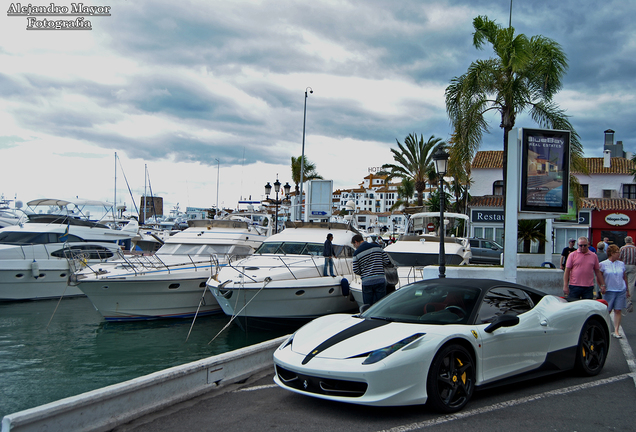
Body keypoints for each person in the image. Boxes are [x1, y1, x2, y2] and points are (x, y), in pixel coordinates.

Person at [599, 244, 630, 338]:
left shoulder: (621, 264)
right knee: (607, 311)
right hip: (609, 290)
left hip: (620, 289)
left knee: (618, 310)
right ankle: (604, 329)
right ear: (612, 253)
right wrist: (601, 286)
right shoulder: (603, 264)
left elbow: (624, 277)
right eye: (617, 252)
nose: (619, 254)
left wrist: (627, 289)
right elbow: (599, 276)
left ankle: (616, 330)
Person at [352, 233, 391, 306]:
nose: (355, 247)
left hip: (367, 281)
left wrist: (364, 272)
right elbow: (386, 261)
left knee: (368, 306)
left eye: (354, 245)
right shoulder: (377, 247)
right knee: (381, 304)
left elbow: (356, 270)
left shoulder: (356, 253)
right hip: (380, 279)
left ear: (356, 242)